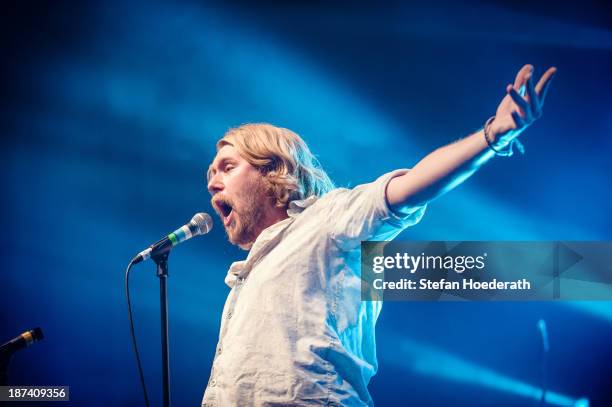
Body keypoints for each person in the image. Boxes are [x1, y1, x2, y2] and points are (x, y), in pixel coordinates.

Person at [202, 64, 556, 406]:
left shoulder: (328, 220)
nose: (213, 182)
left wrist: (492, 136)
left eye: (228, 168)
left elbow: (411, 187)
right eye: (210, 175)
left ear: (273, 171)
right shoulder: (246, 277)